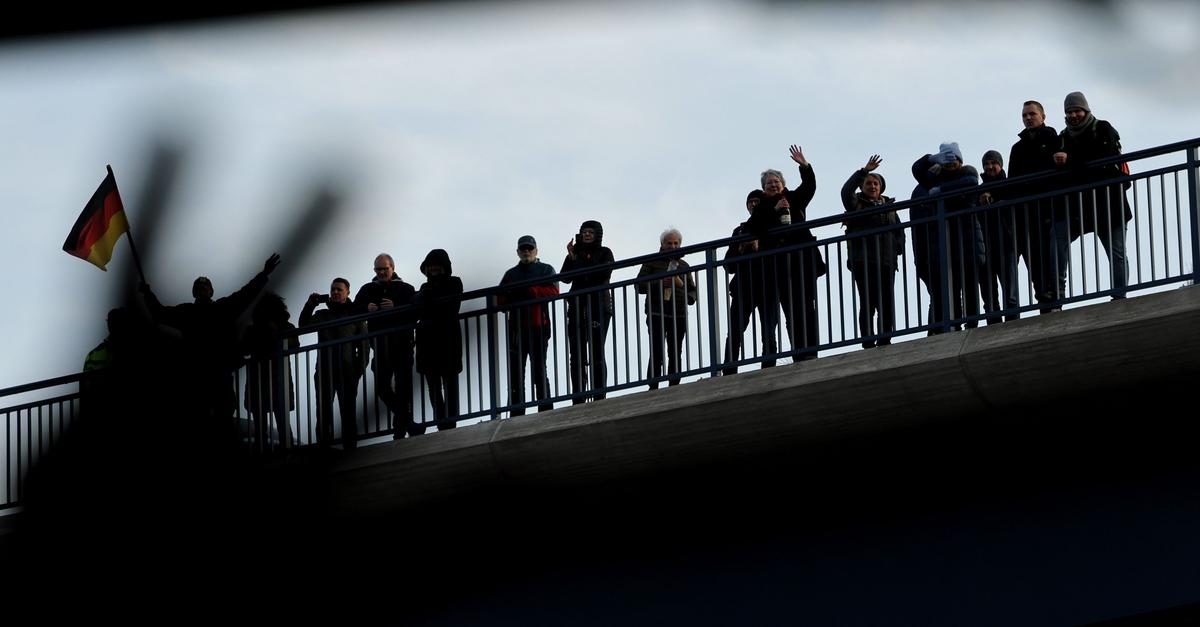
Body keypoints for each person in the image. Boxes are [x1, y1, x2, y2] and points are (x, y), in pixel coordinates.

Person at [140, 253, 281, 425]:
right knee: (207, 418)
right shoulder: (191, 312)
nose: (202, 290)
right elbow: (160, 313)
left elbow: (246, 294)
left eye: (204, 287)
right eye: (199, 288)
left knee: (219, 417)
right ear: (195, 293)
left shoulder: (215, 309)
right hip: (200, 376)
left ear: (210, 291)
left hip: (214, 375)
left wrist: (263, 274)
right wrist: (147, 294)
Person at [746, 144, 825, 360]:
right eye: (769, 183)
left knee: (807, 307)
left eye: (776, 181)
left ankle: (811, 352)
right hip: (778, 265)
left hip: (802, 261)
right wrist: (774, 210)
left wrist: (804, 166)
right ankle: (798, 352)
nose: (773, 185)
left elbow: (809, 186)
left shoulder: (794, 198)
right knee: (790, 310)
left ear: (783, 184)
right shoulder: (762, 208)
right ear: (764, 189)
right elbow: (753, 227)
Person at [1052, 91, 1132, 301]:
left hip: (1110, 203)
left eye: (1077, 110)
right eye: (1069, 112)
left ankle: (1119, 297)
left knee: (1117, 253)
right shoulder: (1063, 136)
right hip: (1080, 207)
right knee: (1057, 238)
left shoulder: (1103, 128)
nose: (1073, 115)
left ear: (1086, 110)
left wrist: (1070, 161)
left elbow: (1102, 159)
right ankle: (1058, 296)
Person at [911, 143, 984, 331]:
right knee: (953, 285)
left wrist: (941, 190)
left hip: (967, 237)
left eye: (954, 161)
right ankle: (956, 323)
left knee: (969, 284)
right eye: (947, 161)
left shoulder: (967, 171)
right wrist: (932, 158)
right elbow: (916, 169)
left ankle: (972, 322)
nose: (951, 165)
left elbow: (971, 181)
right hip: (947, 241)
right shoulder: (936, 178)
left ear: (960, 161)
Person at [841, 155, 904, 348]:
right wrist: (864, 171)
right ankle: (868, 341)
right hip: (864, 261)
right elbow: (846, 191)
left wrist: (898, 248)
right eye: (868, 183)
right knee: (867, 302)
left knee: (886, 302)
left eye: (876, 183)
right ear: (862, 187)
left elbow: (899, 231)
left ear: (881, 187)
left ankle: (885, 339)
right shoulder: (856, 204)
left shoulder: (890, 208)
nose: (872, 186)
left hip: (886, 261)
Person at [1007, 100, 1063, 314]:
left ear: (1043, 116)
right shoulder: (1018, 148)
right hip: (1026, 210)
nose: (1028, 118)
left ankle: (1054, 298)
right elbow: (1012, 181)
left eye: (1032, 114)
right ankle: (1043, 297)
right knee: (1032, 255)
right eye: (1024, 115)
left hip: (1049, 207)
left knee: (1051, 254)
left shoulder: (1053, 139)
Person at [354, 253, 418, 439]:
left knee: (404, 389)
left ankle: (400, 430)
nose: (381, 272)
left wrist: (396, 306)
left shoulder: (406, 289)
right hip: (380, 346)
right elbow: (353, 309)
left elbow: (414, 313)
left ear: (392, 268)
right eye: (378, 269)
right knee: (382, 388)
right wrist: (366, 309)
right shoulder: (367, 289)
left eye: (384, 269)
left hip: (403, 345)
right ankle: (407, 422)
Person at [299, 277, 368, 450]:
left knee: (348, 413)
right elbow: (303, 326)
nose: (335, 292)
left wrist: (358, 371)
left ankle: (350, 450)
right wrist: (310, 305)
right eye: (333, 290)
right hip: (324, 371)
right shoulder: (323, 314)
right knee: (323, 414)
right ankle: (324, 451)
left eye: (339, 289)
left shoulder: (355, 314)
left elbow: (364, 346)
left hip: (348, 372)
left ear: (347, 292)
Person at [498, 236, 559, 416]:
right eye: (523, 249)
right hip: (516, 329)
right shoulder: (510, 274)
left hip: (539, 327)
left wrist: (530, 290)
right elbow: (499, 299)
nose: (526, 251)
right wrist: (513, 296)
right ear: (518, 252)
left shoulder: (546, 269)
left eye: (529, 248)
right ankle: (517, 414)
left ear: (536, 251)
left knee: (538, 369)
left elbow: (554, 292)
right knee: (516, 372)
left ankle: (545, 411)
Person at [722, 190, 780, 374]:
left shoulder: (772, 224)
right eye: (750, 202)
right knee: (735, 330)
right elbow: (728, 265)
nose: (754, 205)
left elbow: (779, 253)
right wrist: (741, 249)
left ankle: (768, 369)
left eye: (757, 201)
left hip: (768, 284)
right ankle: (729, 371)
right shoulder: (740, 230)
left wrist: (759, 247)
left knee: (769, 330)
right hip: (743, 287)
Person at [560, 220, 614, 404]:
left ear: (597, 234)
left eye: (590, 232)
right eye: (584, 232)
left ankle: (599, 395)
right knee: (576, 354)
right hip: (577, 306)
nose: (587, 234)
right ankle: (578, 397)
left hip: (599, 306)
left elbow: (603, 274)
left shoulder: (605, 252)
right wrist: (572, 257)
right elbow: (565, 278)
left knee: (597, 351)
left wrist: (581, 261)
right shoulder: (575, 254)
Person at [637, 229, 697, 388]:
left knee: (676, 351)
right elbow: (640, 285)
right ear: (662, 245)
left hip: (679, 313)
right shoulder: (651, 261)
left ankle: (674, 385)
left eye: (676, 243)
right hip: (656, 312)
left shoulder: (684, 265)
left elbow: (692, 291)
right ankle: (653, 386)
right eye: (669, 243)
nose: (673, 246)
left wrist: (682, 287)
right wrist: (659, 282)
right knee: (656, 350)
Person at [413, 249, 464, 430]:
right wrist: (427, 300)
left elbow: (451, 307)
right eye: (430, 265)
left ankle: (450, 422)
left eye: (437, 265)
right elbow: (417, 310)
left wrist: (428, 301)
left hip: (448, 342)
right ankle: (441, 423)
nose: (433, 268)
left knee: (450, 385)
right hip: (427, 344)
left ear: (444, 267)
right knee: (433, 388)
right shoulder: (423, 289)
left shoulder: (454, 282)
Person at [242, 293, 297, 452]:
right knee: (278, 420)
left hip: (264, 379)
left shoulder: (256, 329)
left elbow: (294, 344)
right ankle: (285, 450)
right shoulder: (282, 327)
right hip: (272, 379)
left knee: (271, 420)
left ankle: (268, 450)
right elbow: (245, 348)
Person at [977, 149, 1018, 323]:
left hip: (1007, 243)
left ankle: (1012, 322)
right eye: (986, 164)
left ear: (1000, 165)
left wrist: (993, 198)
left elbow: (1012, 203)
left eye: (993, 163)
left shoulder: (1009, 184)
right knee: (988, 293)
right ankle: (993, 324)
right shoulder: (979, 190)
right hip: (985, 246)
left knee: (1010, 293)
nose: (990, 167)